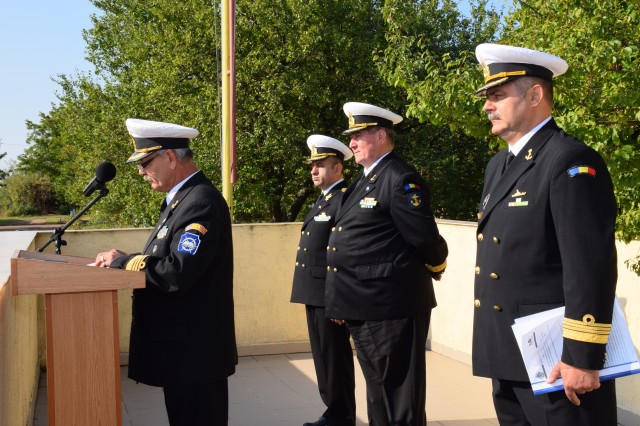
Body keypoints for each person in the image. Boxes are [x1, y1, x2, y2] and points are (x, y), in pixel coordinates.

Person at [471, 43, 618, 425]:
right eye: (487, 97)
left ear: (535, 95)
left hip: (557, 363)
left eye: (498, 95)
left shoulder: (570, 160)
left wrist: (582, 356)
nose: (487, 106)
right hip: (508, 351)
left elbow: (589, 266)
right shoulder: (498, 165)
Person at [94, 118, 237, 426]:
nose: (140, 172)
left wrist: (124, 261)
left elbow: (176, 272)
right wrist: (127, 260)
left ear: (170, 157)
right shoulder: (181, 200)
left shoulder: (200, 202)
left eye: (145, 163)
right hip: (184, 351)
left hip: (195, 354)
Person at [325, 102, 448, 426]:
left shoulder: (399, 177)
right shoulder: (366, 179)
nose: (351, 143)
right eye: (350, 137)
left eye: (358, 136)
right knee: (379, 392)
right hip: (366, 306)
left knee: (399, 397)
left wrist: (436, 266)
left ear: (381, 136)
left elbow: (424, 238)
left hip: (391, 307)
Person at [291, 135, 357, 426]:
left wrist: (339, 297)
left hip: (329, 293)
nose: (314, 170)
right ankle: (334, 411)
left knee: (334, 357)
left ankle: (341, 415)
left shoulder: (343, 198)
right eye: (312, 166)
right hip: (316, 291)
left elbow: (344, 251)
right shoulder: (325, 198)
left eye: (320, 165)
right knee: (323, 356)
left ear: (338, 168)